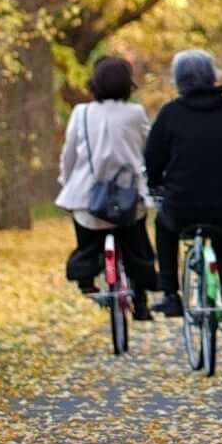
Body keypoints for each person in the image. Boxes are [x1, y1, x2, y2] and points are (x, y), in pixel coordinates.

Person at [143, 48, 222, 344]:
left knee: (164, 227)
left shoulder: (170, 114)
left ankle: (171, 293)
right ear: (212, 77)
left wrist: (155, 183)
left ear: (177, 80)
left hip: (180, 205)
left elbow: (152, 156)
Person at [55, 53, 155, 318]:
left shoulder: (81, 113)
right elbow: (150, 148)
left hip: (87, 198)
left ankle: (86, 279)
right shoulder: (135, 113)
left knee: (88, 242)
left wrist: (66, 183)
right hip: (128, 198)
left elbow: (69, 155)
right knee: (136, 247)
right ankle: (141, 300)